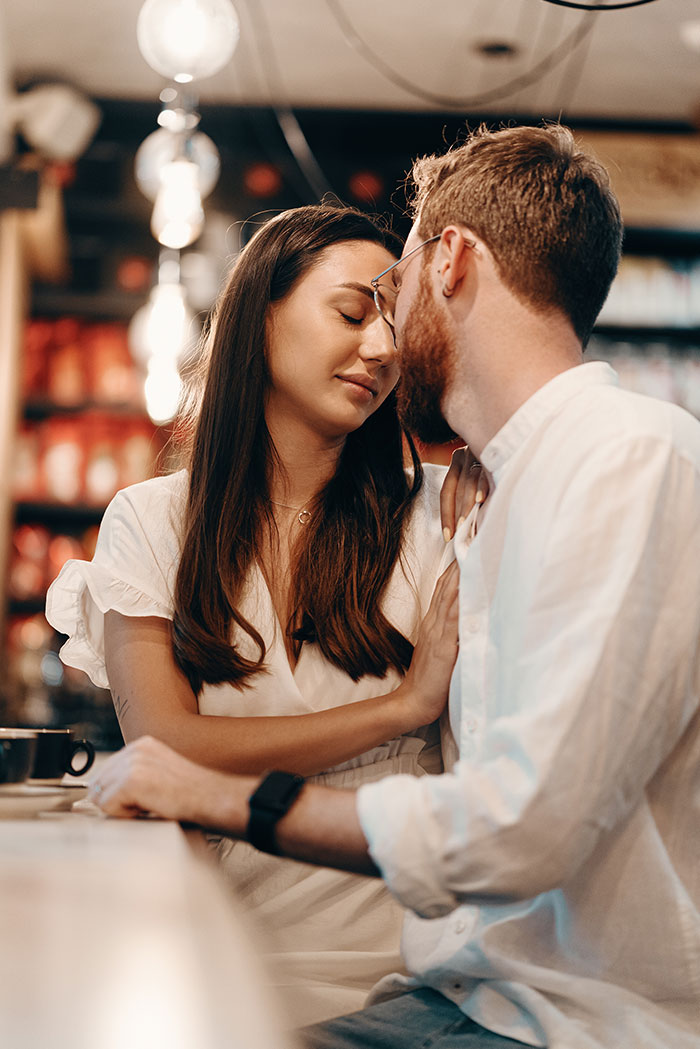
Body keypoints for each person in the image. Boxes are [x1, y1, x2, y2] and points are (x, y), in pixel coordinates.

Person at [82, 123, 700, 1049]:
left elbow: (521, 824)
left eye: (394, 289)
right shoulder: (510, 485)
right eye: (357, 306)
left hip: (556, 1014)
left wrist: (233, 795)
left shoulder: (603, 467)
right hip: (469, 988)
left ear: (449, 259)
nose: (386, 339)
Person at [45, 204, 483, 1025]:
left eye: (397, 324)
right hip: (210, 950)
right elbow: (166, 744)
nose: (384, 348)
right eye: (353, 312)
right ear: (261, 313)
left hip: (410, 979)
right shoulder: (152, 521)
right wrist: (401, 708)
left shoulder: (435, 513)